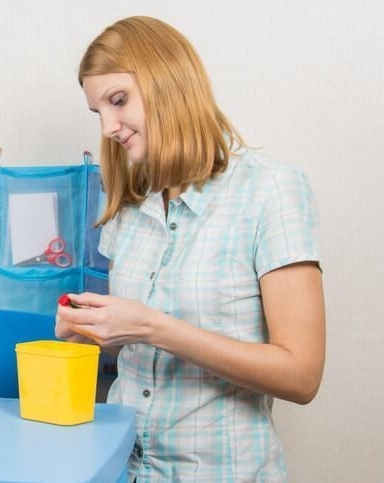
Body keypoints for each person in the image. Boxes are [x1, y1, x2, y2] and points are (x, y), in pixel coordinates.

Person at [56, 16, 325, 482]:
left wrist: (155, 327)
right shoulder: (129, 207)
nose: (110, 127)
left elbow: (301, 376)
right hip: (121, 468)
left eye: (118, 101)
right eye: (98, 112)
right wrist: (88, 332)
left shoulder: (271, 190)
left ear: (168, 82)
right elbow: (134, 356)